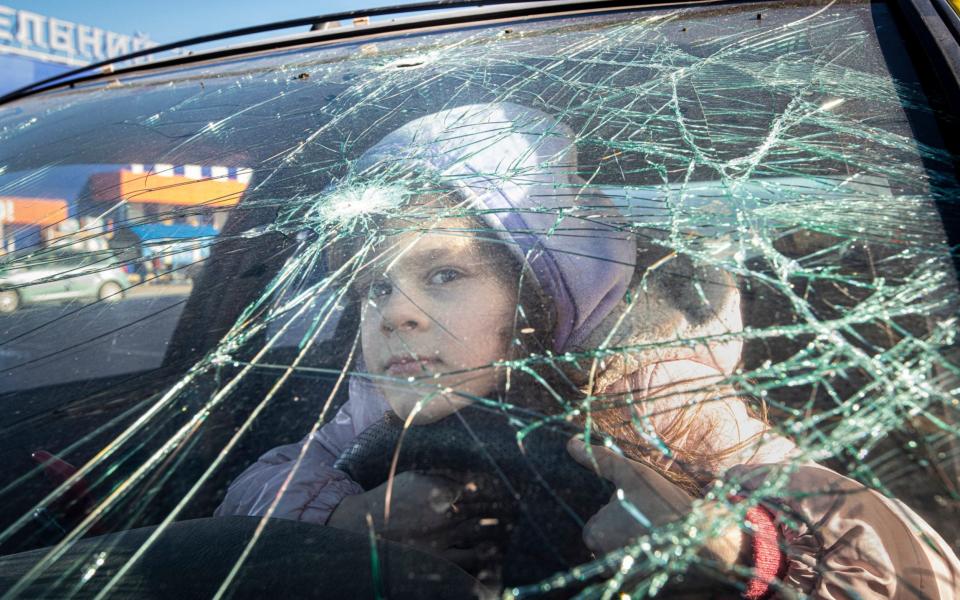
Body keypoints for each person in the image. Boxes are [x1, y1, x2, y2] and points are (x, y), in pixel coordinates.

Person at [216, 103, 960, 598]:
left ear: (534, 294)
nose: (396, 313)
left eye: (445, 274)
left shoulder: (654, 392)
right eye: (374, 287)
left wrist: (741, 552)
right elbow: (257, 494)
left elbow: (915, 568)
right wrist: (344, 528)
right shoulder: (370, 412)